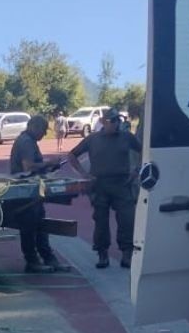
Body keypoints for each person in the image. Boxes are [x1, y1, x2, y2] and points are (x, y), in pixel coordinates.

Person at [69, 110, 142, 269]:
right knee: (100, 221)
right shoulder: (93, 139)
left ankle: (127, 254)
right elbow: (72, 155)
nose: (116, 124)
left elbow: (143, 150)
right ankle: (102, 254)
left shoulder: (126, 137)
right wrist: (84, 174)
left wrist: (136, 171)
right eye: (113, 121)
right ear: (104, 122)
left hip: (122, 183)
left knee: (127, 220)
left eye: (118, 121)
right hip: (99, 184)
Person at [9, 115, 68, 273]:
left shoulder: (28, 140)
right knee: (30, 225)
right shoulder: (27, 141)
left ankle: (47, 256)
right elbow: (28, 166)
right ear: (33, 127)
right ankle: (32, 260)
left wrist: (47, 168)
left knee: (40, 223)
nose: (43, 134)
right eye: (42, 131)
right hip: (25, 190)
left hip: (31, 189)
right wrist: (49, 163)